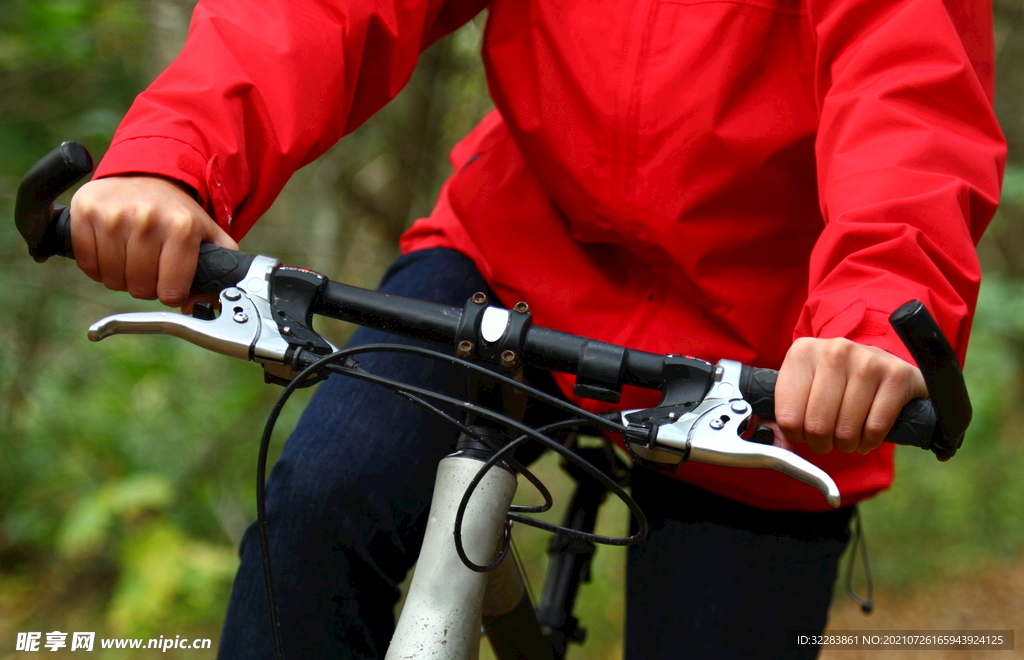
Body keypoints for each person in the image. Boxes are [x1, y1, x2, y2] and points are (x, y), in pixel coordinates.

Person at [67, 0, 1005, 657]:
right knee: (325, 504)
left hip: (775, 353)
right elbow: (320, 13)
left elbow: (909, 100)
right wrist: (174, 159)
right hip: (510, 263)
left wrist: (873, 318)